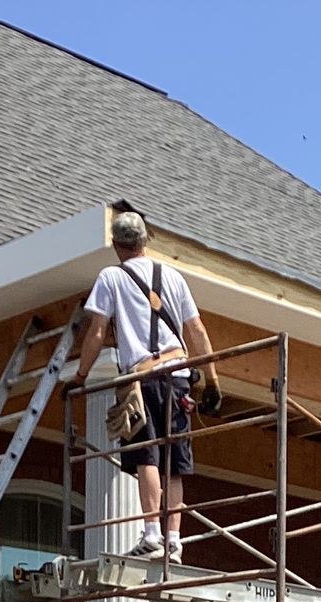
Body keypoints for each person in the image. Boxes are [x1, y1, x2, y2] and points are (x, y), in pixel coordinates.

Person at [70, 203, 222, 562]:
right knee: (174, 461)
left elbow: (97, 332)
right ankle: (174, 541)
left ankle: (152, 534)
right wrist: (213, 380)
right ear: (144, 241)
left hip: (142, 379)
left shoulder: (112, 277)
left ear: (116, 245)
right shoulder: (173, 276)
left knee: (147, 456)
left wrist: (80, 376)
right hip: (179, 378)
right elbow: (196, 330)